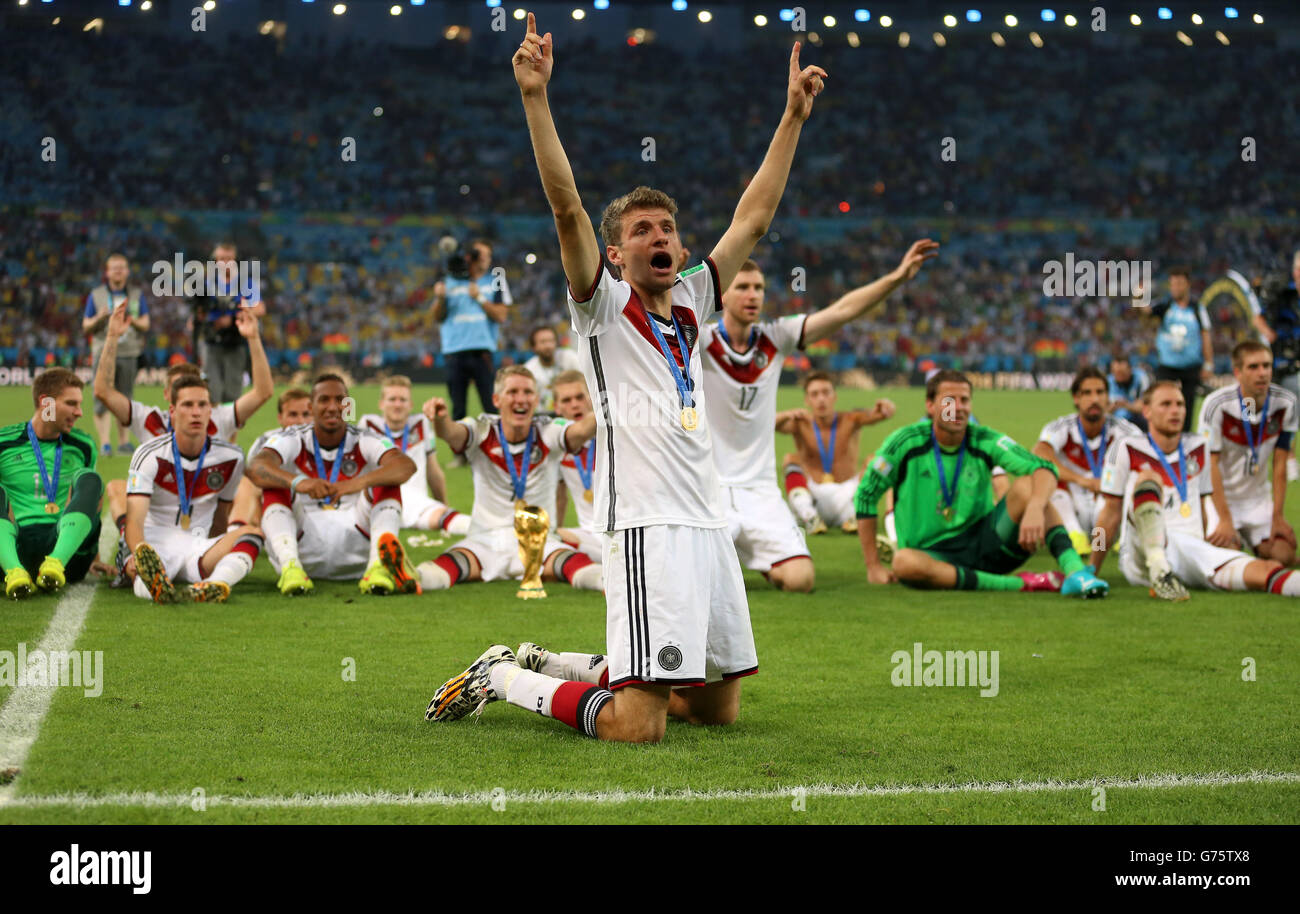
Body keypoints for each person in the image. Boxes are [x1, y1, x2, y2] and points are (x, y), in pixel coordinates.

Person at [426, 16, 825, 742]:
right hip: (645, 526)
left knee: (713, 709)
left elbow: (754, 219)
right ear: (615, 254)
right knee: (640, 726)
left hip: (707, 522)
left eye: (666, 227)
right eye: (641, 230)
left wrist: (792, 118)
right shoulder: (603, 310)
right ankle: (505, 676)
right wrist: (536, 99)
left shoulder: (699, 300)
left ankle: (552, 661)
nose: (660, 237)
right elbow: (565, 204)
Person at [702, 243, 937, 592]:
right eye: (743, 287)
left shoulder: (775, 338)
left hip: (760, 491)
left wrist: (897, 277)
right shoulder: (699, 340)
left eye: (759, 288)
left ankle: (737, 559)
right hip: (709, 489)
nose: (753, 295)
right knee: (686, 582)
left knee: (801, 580)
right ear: (722, 294)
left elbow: (842, 311)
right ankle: (725, 559)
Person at [855, 370, 1110, 597]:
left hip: (985, 545)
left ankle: (1077, 572)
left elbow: (1043, 467)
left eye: (964, 400)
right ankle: (1021, 585)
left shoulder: (984, 439)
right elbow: (866, 495)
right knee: (903, 562)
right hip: (931, 556)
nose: (958, 407)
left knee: (1029, 486)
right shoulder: (904, 443)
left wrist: (1034, 507)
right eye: (949, 400)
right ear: (930, 406)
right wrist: (873, 566)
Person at [95, 302, 272, 581]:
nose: (195, 410)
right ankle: (132, 552)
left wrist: (253, 337)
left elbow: (263, 392)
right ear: (169, 395)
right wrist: (112, 337)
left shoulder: (220, 419)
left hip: (201, 512)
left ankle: (208, 560)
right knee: (118, 487)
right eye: (183, 394)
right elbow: (103, 391)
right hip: (156, 516)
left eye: (200, 401)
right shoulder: (148, 420)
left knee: (244, 486)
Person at [1093, 379, 1300, 601]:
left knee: (1265, 569)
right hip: (1139, 553)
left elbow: (1201, 506)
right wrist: (1092, 567)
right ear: (1147, 411)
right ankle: (1158, 566)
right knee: (1148, 478)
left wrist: (1213, 534)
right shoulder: (1125, 447)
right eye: (1166, 404)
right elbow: (1109, 513)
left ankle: (1167, 575)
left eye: (1180, 404)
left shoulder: (1199, 446)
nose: (1176, 411)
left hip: (1187, 547)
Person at [414, 367, 602, 592]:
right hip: (485, 541)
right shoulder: (482, 430)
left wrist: (608, 404)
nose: (520, 399)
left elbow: (580, 431)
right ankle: (409, 578)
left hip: (539, 542)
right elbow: (452, 433)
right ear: (496, 399)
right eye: (513, 392)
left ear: (536, 399)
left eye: (527, 392)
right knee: (445, 566)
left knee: (578, 566)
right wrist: (441, 420)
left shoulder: (548, 430)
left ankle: (609, 583)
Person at [245, 374, 418, 596]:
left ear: (349, 406)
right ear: (312, 406)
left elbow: (405, 466)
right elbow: (257, 467)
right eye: (324, 400)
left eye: (340, 400)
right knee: (274, 485)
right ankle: (291, 567)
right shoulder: (293, 438)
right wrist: (298, 482)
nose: (332, 407)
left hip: (355, 551)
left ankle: (379, 567)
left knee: (386, 480)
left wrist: (355, 484)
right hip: (304, 545)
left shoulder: (365, 438)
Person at [123, 376, 261, 604]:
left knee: (252, 533)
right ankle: (153, 585)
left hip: (198, 544)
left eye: (202, 405)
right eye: (187, 405)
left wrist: (217, 550)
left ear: (210, 411)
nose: (196, 412)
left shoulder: (232, 457)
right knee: (144, 568)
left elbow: (221, 516)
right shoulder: (149, 454)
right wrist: (139, 552)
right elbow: (134, 520)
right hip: (155, 543)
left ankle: (215, 583)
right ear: (173, 411)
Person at [0, 369, 104, 599]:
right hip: (15, 545)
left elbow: (90, 504)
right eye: (71, 404)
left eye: (79, 404)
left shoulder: (83, 445)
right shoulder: (4, 443)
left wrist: (94, 559)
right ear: (45, 402)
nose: (79, 412)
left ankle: (55, 563)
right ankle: (14, 571)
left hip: (65, 551)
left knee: (90, 479)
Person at [1196, 340, 1297, 566]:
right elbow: (1209, 465)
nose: (1262, 373)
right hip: (1221, 500)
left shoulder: (1286, 403)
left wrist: (1278, 516)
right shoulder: (1217, 405)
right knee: (1225, 557)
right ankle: (1238, 545)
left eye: (1266, 366)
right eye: (1253, 367)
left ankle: (1255, 549)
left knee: (1284, 555)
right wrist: (1224, 519)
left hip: (1257, 499)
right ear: (1238, 372)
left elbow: (1280, 464)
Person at [1033, 366, 1143, 557]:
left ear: (1108, 397)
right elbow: (1039, 453)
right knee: (1046, 478)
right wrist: (1083, 481)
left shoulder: (1124, 430)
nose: (1094, 399)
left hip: (1108, 510)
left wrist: (1111, 484)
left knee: (1132, 482)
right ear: (1076, 398)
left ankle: (1111, 542)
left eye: (1100, 392)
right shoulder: (1061, 427)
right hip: (1073, 505)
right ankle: (1075, 538)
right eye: (1087, 393)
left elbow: (1145, 457)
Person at [779, 371, 896, 536]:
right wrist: (785, 414)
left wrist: (887, 406)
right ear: (807, 400)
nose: (821, 399)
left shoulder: (850, 419)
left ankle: (858, 514)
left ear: (835, 396)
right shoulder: (800, 423)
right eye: (814, 394)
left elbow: (880, 414)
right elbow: (766, 425)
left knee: (876, 460)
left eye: (826, 393)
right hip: (813, 499)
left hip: (848, 499)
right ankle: (809, 517)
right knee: (790, 459)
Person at [359, 375, 471, 535]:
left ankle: (495, 532)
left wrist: (443, 505)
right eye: (392, 399)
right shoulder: (368, 425)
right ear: (381, 404)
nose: (397, 405)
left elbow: (434, 472)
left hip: (418, 507)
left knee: (444, 517)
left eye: (402, 400)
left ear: (410, 404)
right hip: (380, 505)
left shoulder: (420, 424)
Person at [431, 239, 511, 421]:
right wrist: (440, 298)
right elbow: (437, 317)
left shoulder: (496, 280)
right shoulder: (448, 281)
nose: (484, 258)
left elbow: (501, 315)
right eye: (479, 254)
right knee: (458, 411)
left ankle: (497, 448)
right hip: (454, 352)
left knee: (492, 407)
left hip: (482, 351)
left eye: (487, 255)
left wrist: (480, 298)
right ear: (468, 257)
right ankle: (460, 450)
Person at [83, 253, 149, 456]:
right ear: (107, 272)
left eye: (122, 267)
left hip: (129, 352)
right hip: (103, 351)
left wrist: (130, 318)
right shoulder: (96, 295)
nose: (118, 271)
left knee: (125, 398)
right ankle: (105, 443)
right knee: (101, 396)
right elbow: (85, 326)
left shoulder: (137, 295)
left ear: (128, 271)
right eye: (115, 268)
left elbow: (145, 324)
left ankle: (123, 442)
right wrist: (99, 318)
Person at [228, 387, 313, 530]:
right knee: (247, 481)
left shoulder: (327, 443)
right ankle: (235, 531)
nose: (300, 421)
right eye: (293, 415)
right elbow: (254, 478)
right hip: (275, 505)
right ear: (280, 418)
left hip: (315, 507)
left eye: (306, 414)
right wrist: (295, 483)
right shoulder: (267, 440)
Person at [196, 242, 266, 409]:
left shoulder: (245, 283)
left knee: (232, 394)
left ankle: (228, 434)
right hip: (211, 340)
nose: (224, 263)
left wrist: (234, 315)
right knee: (211, 391)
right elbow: (198, 310)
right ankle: (213, 432)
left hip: (235, 341)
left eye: (228, 259)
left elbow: (259, 308)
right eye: (220, 259)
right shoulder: (206, 283)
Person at [1253, 248, 1300, 481]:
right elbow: (1258, 316)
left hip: (1295, 366)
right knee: (1279, 413)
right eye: (1299, 270)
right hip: (1280, 365)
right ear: (1294, 272)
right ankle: (1287, 458)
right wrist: (1267, 333)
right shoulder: (1282, 294)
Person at [1147, 266, 1212, 431]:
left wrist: (1209, 363)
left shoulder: (1197, 308)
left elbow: (1205, 335)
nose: (1176, 288)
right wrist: (1139, 294)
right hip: (1167, 366)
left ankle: (1184, 442)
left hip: (1190, 367)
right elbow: (1145, 312)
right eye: (1173, 284)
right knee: (1161, 400)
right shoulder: (1165, 305)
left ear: (1188, 285)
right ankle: (1161, 435)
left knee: (1187, 407)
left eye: (1179, 284)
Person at [551, 370, 603, 561]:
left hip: (620, 530)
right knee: (542, 537)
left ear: (591, 397)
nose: (574, 404)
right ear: (556, 407)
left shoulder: (614, 434)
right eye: (566, 400)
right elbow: (559, 495)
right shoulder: (556, 440)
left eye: (580, 397)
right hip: (587, 535)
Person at [522, 325, 582, 413]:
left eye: (551, 341)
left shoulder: (570, 357)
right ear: (533, 347)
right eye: (543, 342)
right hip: (543, 414)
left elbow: (585, 382)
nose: (548, 346)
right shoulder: (529, 369)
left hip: (572, 410)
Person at [1107, 354, 1150, 433]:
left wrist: (1124, 404)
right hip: (1114, 421)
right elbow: (1104, 412)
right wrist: (1113, 407)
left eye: (1122, 372)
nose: (1118, 376)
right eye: (1115, 372)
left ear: (1130, 369)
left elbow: (1144, 407)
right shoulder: (1108, 382)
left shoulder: (1140, 378)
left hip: (1136, 419)